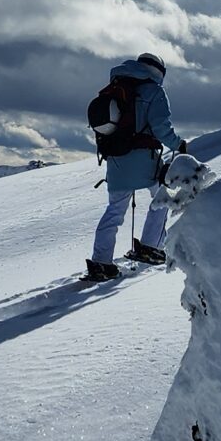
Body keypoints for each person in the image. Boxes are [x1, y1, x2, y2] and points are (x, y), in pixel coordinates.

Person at [87, 53, 186, 281]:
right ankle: (150, 246)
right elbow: (161, 127)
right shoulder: (154, 91)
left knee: (114, 211)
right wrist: (179, 145)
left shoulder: (115, 86)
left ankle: (101, 262)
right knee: (162, 197)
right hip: (144, 158)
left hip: (115, 158)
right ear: (158, 71)